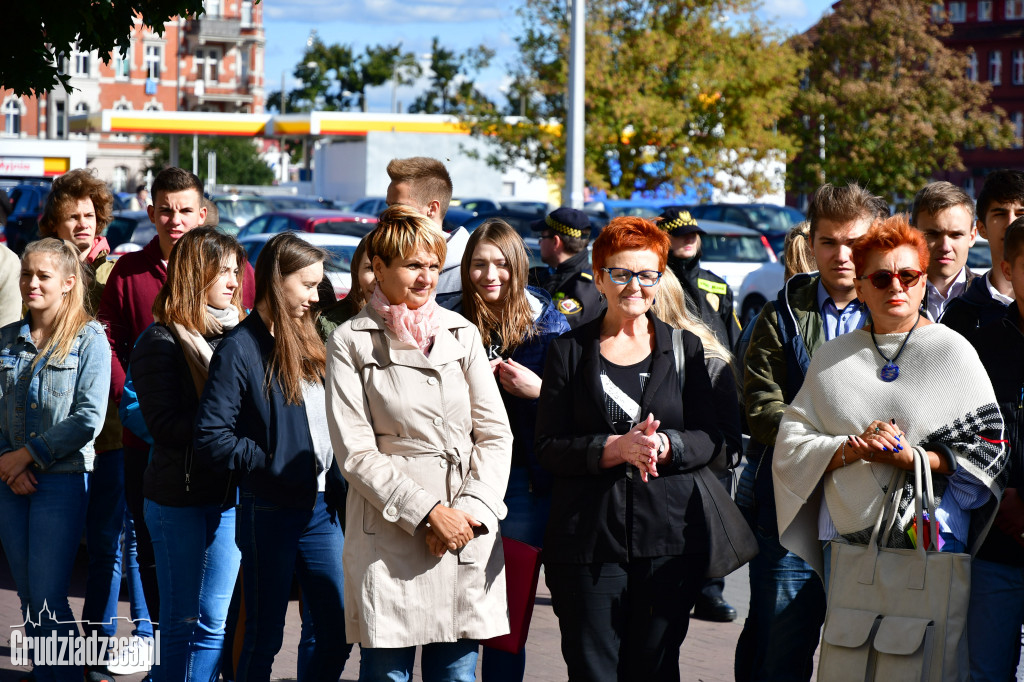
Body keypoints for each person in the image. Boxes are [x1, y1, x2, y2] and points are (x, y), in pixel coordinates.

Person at [772, 216, 1006, 681]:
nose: (894, 286)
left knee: (925, 664)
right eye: (880, 277)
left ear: (923, 283)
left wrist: (915, 459)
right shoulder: (833, 357)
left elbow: (991, 447)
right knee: (849, 660)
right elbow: (792, 442)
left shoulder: (953, 352)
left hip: (932, 542)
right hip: (847, 541)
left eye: (908, 275)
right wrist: (852, 448)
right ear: (860, 286)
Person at [325, 205, 513, 681]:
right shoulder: (351, 340)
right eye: (412, 265)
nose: (426, 277)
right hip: (390, 534)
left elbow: (494, 434)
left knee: (457, 674)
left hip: (464, 531)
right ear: (380, 268)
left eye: (433, 265)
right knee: (387, 674)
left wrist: (466, 513)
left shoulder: (461, 332)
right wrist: (429, 512)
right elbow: (355, 453)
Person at [535, 216, 722, 681]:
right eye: (620, 273)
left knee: (655, 669)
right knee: (593, 670)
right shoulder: (569, 350)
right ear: (598, 277)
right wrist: (613, 448)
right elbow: (548, 447)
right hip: (587, 541)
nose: (633, 286)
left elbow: (711, 438)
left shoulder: (685, 349)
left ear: (660, 278)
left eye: (646, 274)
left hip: (669, 540)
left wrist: (665, 445)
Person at [735, 182, 888, 682]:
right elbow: (760, 410)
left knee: (864, 651)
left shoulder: (898, 308)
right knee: (779, 646)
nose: (842, 255)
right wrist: (836, 448)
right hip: (792, 507)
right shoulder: (780, 314)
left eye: (854, 242)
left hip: (874, 512)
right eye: (829, 242)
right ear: (812, 243)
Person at [98, 167, 256, 626]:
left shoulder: (238, 269)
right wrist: (142, 407)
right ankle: (153, 640)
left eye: (185, 209)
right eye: (165, 209)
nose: (174, 218)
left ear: (202, 213)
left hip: (218, 456)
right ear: (150, 212)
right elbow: (110, 344)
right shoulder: (127, 272)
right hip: (145, 440)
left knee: (214, 597)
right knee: (152, 557)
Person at [194, 232, 350, 681]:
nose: (316, 295)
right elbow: (212, 438)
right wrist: (272, 462)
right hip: (268, 507)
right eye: (306, 284)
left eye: (319, 284)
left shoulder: (309, 336)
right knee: (264, 636)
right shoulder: (239, 348)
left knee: (337, 631)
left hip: (321, 508)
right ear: (276, 281)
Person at [38, 168, 153, 682]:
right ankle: (53, 643)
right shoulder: (39, 270)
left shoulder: (114, 270)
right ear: (55, 222)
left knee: (111, 540)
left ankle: (102, 640)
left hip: (109, 431)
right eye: (72, 216)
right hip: (54, 431)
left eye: (89, 215)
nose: (82, 224)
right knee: (56, 544)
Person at [443, 218, 569, 682]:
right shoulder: (446, 320)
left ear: (518, 267)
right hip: (456, 478)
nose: (490, 274)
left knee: (505, 611)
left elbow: (577, 411)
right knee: (454, 607)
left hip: (523, 486)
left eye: (501, 264)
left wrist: (541, 391)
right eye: (478, 264)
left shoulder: (552, 329)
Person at [130, 228, 245, 682]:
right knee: (179, 623)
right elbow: (163, 427)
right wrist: (229, 433)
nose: (235, 282)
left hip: (227, 497)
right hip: (176, 496)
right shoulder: (160, 341)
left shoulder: (240, 333)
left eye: (237, 271)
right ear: (197, 275)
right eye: (224, 272)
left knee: (214, 624)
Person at [0, 238, 111, 682]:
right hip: (10, 480)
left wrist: (28, 455)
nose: (31, 283)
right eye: (27, 274)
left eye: (43, 276)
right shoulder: (7, 340)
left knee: (48, 597)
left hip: (61, 480)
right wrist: (7, 461)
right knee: (28, 597)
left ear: (68, 283)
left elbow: (89, 418)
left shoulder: (89, 339)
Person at [965, 217, 1024, 680]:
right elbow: (962, 431)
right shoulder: (982, 346)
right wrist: (1000, 492)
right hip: (993, 545)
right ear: (1007, 267)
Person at [943, 169, 1024, 335]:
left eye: (1021, 213)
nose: (1011, 222)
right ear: (981, 229)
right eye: (1000, 214)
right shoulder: (960, 315)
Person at [384, 156, 468, 304]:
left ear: (432, 208)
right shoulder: (383, 256)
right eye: (388, 206)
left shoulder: (472, 271)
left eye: (398, 206)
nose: (389, 215)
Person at [659, 207, 741, 351]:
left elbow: (736, 340)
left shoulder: (718, 285)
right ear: (663, 239)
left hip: (715, 367)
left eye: (694, 233)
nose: (689, 239)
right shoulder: (654, 282)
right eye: (681, 233)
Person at [909, 181, 980, 321]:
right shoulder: (892, 292)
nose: (945, 247)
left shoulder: (989, 296)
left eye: (956, 235)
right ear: (912, 233)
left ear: (972, 237)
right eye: (933, 234)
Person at [528, 206, 603, 328]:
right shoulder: (536, 275)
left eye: (542, 237)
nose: (539, 242)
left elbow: (555, 323)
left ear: (555, 242)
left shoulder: (588, 284)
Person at [317, 235, 373, 341]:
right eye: (371, 268)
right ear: (356, 270)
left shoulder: (413, 321)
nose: (379, 279)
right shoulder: (330, 324)